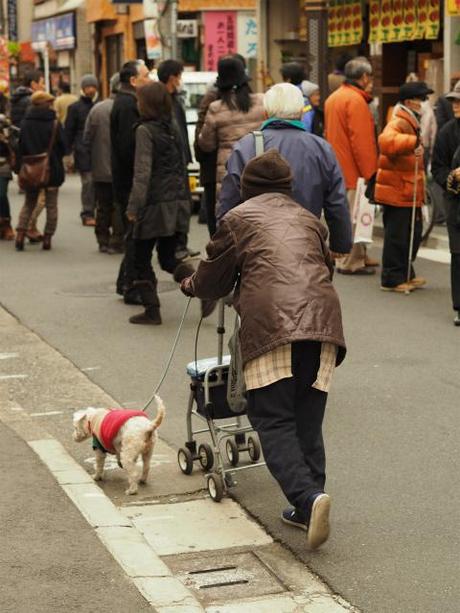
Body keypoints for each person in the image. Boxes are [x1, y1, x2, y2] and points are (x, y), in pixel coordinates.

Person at [180, 149, 346, 550]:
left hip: (273, 325)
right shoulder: (310, 219)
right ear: (288, 187)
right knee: (306, 416)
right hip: (324, 323)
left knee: (272, 419)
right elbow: (325, 268)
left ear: (245, 188)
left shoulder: (237, 219)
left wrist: (189, 285)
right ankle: (309, 504)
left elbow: (212, 278)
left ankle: (308, 498)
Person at [218, 83, 352, 256]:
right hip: (306, 245)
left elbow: (229, 201)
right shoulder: (321, 148)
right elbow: (337, 202)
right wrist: (340, 244)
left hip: (257, 247)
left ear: (266, 113)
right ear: (301, 112)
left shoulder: (246, 146)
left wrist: (222, 245)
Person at [126, 82, 207, 325]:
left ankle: (152, 311)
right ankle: (202, 286)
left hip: (153, 204)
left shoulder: (145, 131)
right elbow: (181, 164)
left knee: (139, 257)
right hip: (177, 200)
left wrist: (133, 207)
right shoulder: (171, 127)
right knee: (169, 258)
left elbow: (142, 173)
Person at [375, 82, 431, 293]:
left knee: (411, 233)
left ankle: (405, 273)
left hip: (405, 187)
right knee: (398, 236)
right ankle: (391, 278)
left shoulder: (410, 119)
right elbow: (386, 142)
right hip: (397, 188)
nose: (424, 104)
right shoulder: (399, 118)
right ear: (410, 102)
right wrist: (412, 141)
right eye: (421, 99)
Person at [324, 57, 379, 274]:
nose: (372, 81)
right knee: (356, 217)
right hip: (354, 170)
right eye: (371, 77)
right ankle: (351, 261)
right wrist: (370, 172)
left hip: (338, 166)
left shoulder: (334, 98)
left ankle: (357, 256)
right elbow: (362, 142)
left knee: (346, 215)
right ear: (364, 77)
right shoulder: (356, 101)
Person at [110, 59, 150, 304]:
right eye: (146, 75)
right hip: (129, 182)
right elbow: (129, 148)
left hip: (127, 180)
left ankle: (126, 282)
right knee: (135, 234)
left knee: (135, 235)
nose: (149, 79)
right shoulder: (127, 105)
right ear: (133, 81)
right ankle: (129, 283)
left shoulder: (127, 101)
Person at [198, 56, 265, 193]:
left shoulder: (216, 108)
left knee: (229, 212)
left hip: (228, 171)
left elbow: (206, 144)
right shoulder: (262, 101)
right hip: (258, 168)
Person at [157, 59, 198, 260]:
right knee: (176, 204)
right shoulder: (162, 100)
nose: (180, 80)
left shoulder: (175, 99)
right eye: (179, 76)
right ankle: (175, 247)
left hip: (180, 159)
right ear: (172, 77)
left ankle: (181, 243)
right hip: (171, 162)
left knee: (184, 203)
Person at [15, 91, 66, 251]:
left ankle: (20, 234)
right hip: (52, 168)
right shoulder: (55, 123)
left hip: (31, 169)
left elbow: (20, 148)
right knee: (51, 205)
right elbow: (63, 147)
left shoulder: (25, 123)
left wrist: (18, 168)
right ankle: (47, 239)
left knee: (29, 202)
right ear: (46, 104)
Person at [83, 73, 123, 253]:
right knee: (117, 205)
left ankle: (102, 239)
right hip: (120, 167)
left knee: (103, 205)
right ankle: (117, 240)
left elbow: (87, 138)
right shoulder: (128, 108)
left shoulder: (97, 109)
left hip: (99, 167)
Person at [432, 81, 460, 326]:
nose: (456, 105)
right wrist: (452, 176)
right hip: (456, 203)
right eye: (454, 101)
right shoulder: (447, 132)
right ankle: (459, 306)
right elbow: (437, 167)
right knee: (458, 254)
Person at [10, 69, 46, 243]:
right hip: (34, 153)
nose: (44, 86)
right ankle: (28, 227)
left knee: (31, 195)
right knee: (39, 196)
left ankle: (25, 228)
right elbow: (33, 128)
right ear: (33, 84)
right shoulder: (30, 102)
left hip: (20, 151)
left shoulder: (15, 100)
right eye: (41, 82)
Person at [65, 74, 99, 226]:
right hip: (82, 150)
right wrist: (68, 154)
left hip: (98, 151)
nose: (91, 89)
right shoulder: (74, 108)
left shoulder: (98, 106)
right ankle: (87, 212)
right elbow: (69, 131)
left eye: (93, 86)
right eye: (88, 87)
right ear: (83, 89)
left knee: (98, 183)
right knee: (88, 182)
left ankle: (97, 211)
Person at [0, 113, 14, 240]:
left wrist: (5, 139)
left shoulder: (3, 121)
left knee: (1, 194)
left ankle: (6, 224)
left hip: (2, 165)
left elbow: (14, 143)